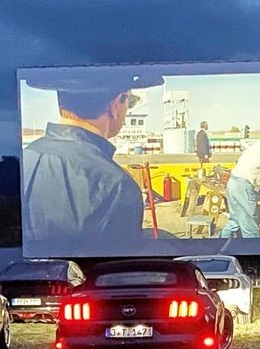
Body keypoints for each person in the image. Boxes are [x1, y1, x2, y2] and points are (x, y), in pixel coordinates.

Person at [20, 73, 162, 254]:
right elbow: (116, 274)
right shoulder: (116, 184)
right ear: (115, 105)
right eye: (130, 102)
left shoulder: (24, 159)